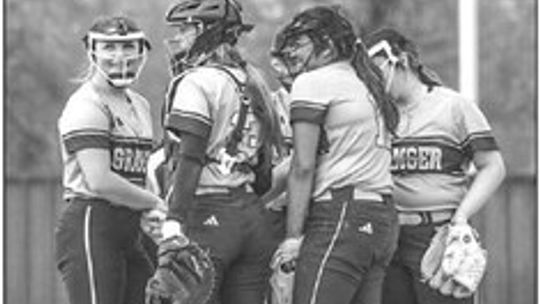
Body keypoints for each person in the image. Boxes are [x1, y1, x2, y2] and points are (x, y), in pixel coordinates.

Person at [363, 28, 506, 304]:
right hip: (389, 236)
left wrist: (461, 217)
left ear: (401, 61)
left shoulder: (454, 106)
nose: (372, 82)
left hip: (437, 234)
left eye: (376, 72)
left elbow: (493, 166)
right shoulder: (377, 116)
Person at [270, 6, 400, 304]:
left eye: (301, 43)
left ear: (326, 45)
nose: (293, 52)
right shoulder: (364, 80)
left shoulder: (315, 82)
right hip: (380, 218)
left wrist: (292, 237)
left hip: (342, 214)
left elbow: (303, 166)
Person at [159, 0, 285, 303]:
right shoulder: (253, 81)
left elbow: (190, 157)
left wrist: (174, 220)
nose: (179, 38)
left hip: (207, 214)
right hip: (252, 217)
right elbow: (265, 174)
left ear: (206, 32)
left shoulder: (197, 82)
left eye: (185, 29)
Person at [55, 16, 166, 304]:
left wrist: (153, 212)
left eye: (128, 47)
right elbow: (100, 180)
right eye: (110, 48)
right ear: (93, 52)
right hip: (93, 222)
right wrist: (153, 202)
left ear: (142, 51)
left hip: (129, 227)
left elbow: (138, 172)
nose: (120, 57)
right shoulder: (86, 104)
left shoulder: (140, 104)